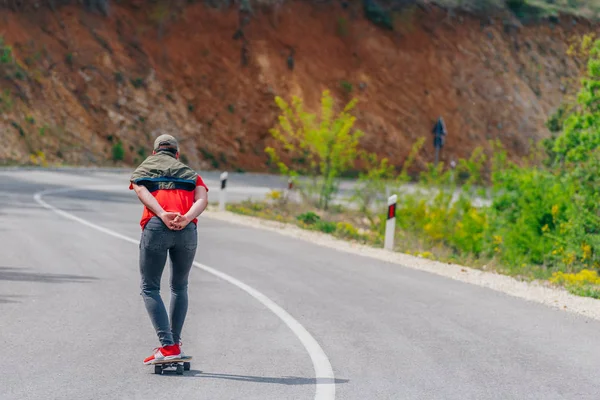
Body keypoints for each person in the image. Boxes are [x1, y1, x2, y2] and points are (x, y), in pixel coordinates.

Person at [129, 133, 209, 365]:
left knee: (150, 287)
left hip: (157, 226)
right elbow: (201, 199)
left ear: (155, 153)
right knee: (179, 286)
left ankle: (168, 346)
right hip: (187, 230)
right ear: (177, 154)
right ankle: (175, 344)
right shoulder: (192, 175)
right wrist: (185, 218)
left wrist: (162, 214)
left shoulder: (145, 169)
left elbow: (141, 190)